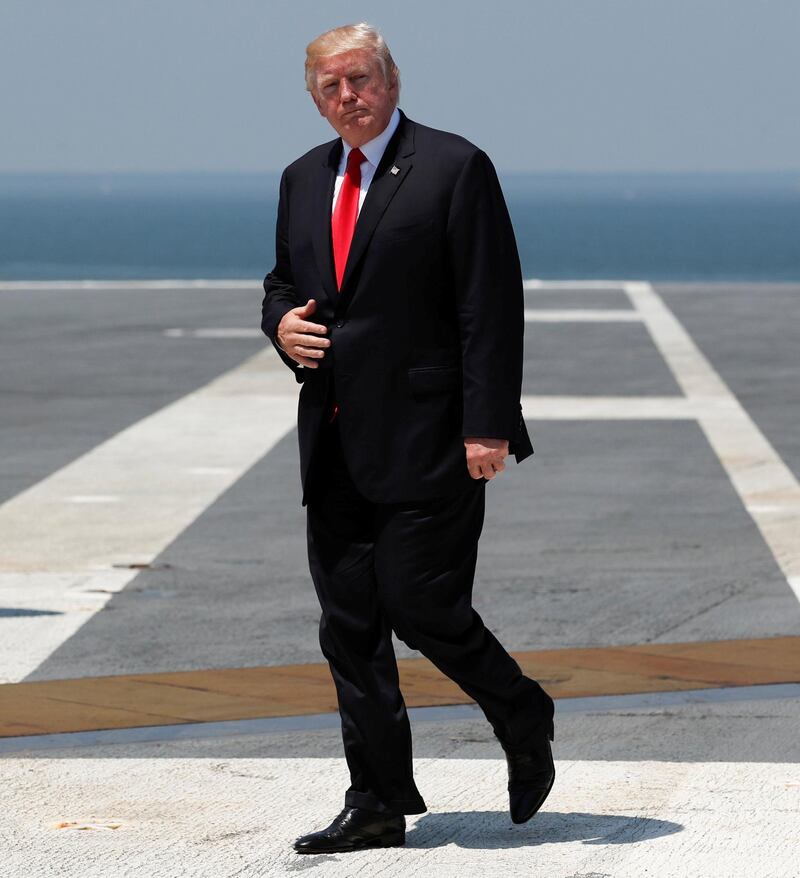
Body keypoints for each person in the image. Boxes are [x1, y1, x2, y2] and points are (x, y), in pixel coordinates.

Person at [261, 22, 555, 855]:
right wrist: (279, 321)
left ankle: (521, 708)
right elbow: (285, 279)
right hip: (334, 438)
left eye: (360, 80)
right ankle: (378, 802)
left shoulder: (454, 166)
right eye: (330, 87)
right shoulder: (300, 178)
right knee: (348, 623)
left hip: (434, 435)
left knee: (424, 604)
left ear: (391, 79)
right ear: (313, 97)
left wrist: (487, 424)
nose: (347, 98)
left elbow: (489, 303)